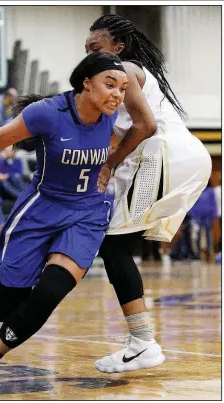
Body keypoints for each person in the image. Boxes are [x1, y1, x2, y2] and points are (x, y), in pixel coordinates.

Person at [0, 52, 128, 389]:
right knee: (5, 307)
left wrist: (114, 164)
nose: (117, 94)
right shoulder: (48, 113)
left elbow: (140, 133)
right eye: (109, 84)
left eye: (123, 89)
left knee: (49, 294)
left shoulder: (116, 117)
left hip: (87, 215)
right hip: (42, 209)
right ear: (86, 82)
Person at [84, 14, 212, 373]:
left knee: (114, 248)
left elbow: (146, 126)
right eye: (86, 49)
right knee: (118, 246)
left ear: (117, 47)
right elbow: (123, 133)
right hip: (184, 157)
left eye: (96, 47)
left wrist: (109, 165)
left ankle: (142, 343)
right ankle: (141, 342)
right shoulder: (120, 83)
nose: (91, 53)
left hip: (165, 156)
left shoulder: (123, 67)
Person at [188, 180, 218, 261]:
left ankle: (208, 251)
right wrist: (191, 214)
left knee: (208, 234)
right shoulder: (196, 190)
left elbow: (213, 203)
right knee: (197, 235)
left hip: (207, 216)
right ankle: (197, 252)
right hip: (197, 216)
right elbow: (191, 203)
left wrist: (214, 215)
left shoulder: (210, 191)